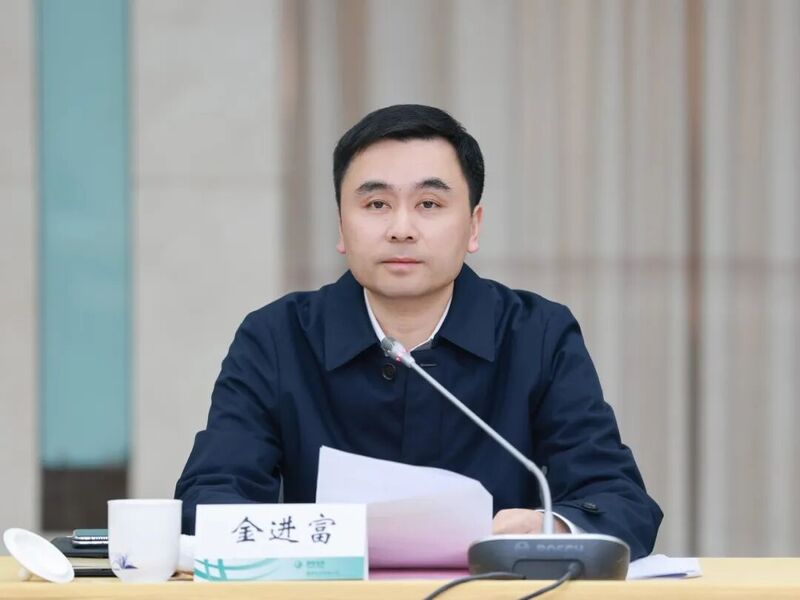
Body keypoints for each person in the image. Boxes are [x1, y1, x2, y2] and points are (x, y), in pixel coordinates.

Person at [175, 104, 662, 559]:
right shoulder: (278, 338)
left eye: (429, 203)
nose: (401, 228)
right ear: (341, 227)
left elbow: (619, 501)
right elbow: (209, 499)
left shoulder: (536, 335)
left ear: (473, 226)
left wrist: (551, 528)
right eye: (376, 204)